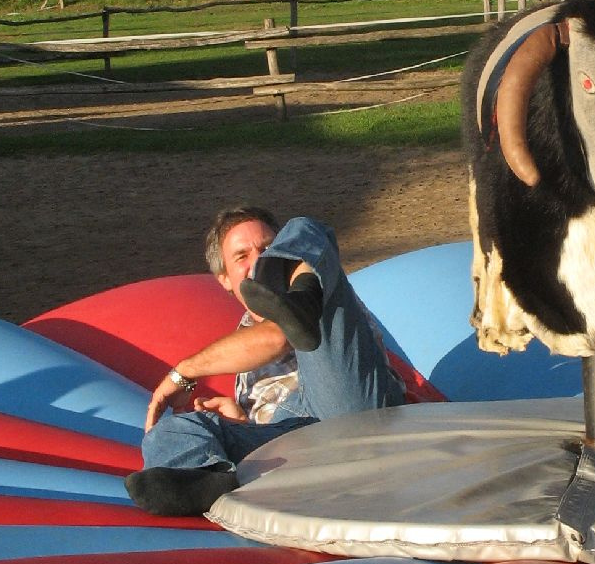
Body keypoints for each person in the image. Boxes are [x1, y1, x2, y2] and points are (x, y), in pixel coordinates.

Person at [124, 205, 404, 517]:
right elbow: (262, 430)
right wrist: (240, 422)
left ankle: (299, 301)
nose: (257, 260)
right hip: (294, 443)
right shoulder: (237, 347)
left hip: (349, 408)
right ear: (225, 280)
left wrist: (184, 370)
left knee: (305, 226)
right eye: (241, 256)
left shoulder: (330, 299)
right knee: (177, 427)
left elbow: (277, 338)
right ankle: (206, 478)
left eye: (268, 249)